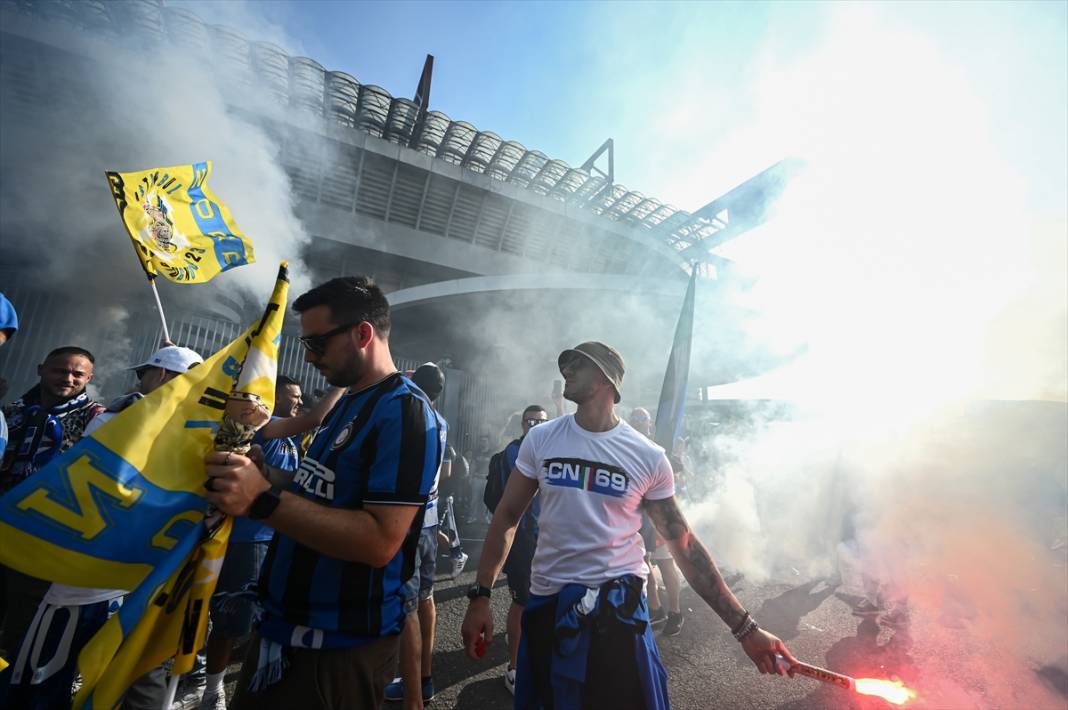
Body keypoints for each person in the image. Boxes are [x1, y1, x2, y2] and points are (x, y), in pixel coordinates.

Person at [461, 342, 796, 708]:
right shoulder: (542, 439)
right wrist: (481, 596)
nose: (566, 372)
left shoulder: (647, 456)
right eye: (566, 364)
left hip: (618, 618)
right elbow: (508, 515)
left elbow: (682, 544)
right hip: (549, 611)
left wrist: (745, 628)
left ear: (606, 381)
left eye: (577, 365)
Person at [203, 276, 444, 710]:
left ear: (362, 333)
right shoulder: (349, 399)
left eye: (317, 345)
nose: (310, 357)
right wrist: (268, 476)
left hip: (336, 649)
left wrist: (260, 499)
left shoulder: (404, 411)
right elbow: (321, 492)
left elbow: (379, 541)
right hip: (282, 632)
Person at [4, 344, 202, 709]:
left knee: (56, 658)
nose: (138, 380)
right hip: (141, 562)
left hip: (89, 561)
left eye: (146, 372)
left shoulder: (112, 416)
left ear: (159, 376)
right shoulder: (199, 429)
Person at [195, 375, 344, 710]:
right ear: (270, 397)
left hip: (273, 532)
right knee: (230, 617)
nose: (297, 401)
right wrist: (341, 385)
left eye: (299, 396)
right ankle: (210, 689)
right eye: (290, 396)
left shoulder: (289, 438)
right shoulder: (264, 425)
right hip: (248, 536)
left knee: (250, 616)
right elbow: (315, 418)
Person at [0, 346, 105, 660]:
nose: (68, 378)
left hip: (44, 538)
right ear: (41, 369)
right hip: (3, 522)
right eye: (60, 370)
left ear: (89, 378)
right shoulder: (12, 412)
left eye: (77, 374)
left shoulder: (96, 419)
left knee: (21, 627)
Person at [384, 362, 452, 708]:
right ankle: (422, 679)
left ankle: (413, 696)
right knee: (425, 598)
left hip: (409, 525)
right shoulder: (441, 421)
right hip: (429, 521)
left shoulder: (413, 418)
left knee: (406, 607)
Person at [494, 404, 548, 694]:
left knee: (546, 600)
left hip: (547, 537)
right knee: (522, 602)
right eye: (530, 421)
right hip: (522, 538)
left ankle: (535, 656)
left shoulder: (548, 448)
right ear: (522, 424)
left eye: (542, 421)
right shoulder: (514, 452)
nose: (536, 425)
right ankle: (514, 667)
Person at [629, 407, 686, 638]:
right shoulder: (626, 448)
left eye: (642, 420)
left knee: (665, 564)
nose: (639, 424)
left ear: (649, 424)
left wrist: (678, 456)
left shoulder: (656, 450)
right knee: (645, 564)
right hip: (638, 520)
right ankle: (655, 608)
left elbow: (677, 473)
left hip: (660, 520)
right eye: (635, 420)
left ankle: (675, 612)